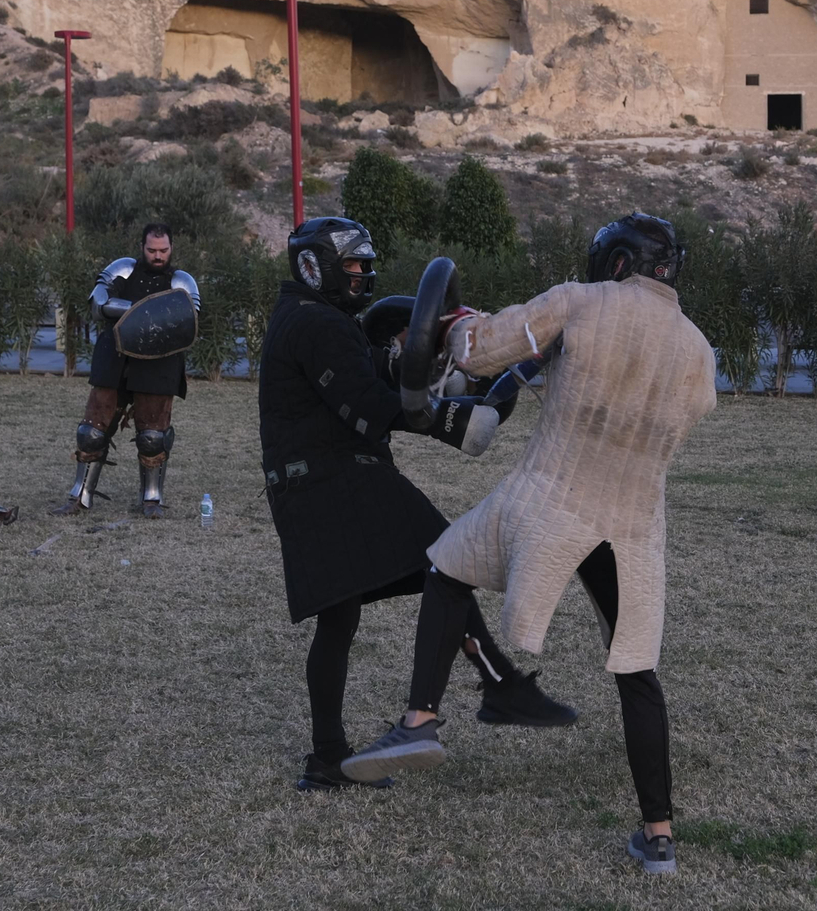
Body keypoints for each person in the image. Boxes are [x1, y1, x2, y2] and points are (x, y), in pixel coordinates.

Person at [342, 214, 717, 875]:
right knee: (637, 674)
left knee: (446, 568)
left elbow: (479, 349)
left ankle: (421, 719)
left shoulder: (580, 299)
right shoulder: (696, 349)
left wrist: (452, 320)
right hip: (634, 522)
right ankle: (658, 835)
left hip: (552, 498)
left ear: (620, 261)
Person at [260, 216, 577, 791]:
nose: (363, 273)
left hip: (311, 481)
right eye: (353, 264)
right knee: (447, 559)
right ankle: (499, 687)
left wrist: (428, 371)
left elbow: (367, 378)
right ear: (316, 266)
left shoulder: (315, 317)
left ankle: (328, 758)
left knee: (340, 619)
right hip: (333, 480)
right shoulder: (314, 324)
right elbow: (363, 404)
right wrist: (450, 421)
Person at [54, 223, 200, 518]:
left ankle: (151, 500)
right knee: (91, 432)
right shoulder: (122, 268)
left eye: (163, 250)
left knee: (153, 436)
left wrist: (133, 311)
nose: (158, 256)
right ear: (142, 247)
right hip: (115, 355)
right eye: (152, 250)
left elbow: (190, 318)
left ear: (171, 248)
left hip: (160, 360)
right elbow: (98, 302)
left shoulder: (182, 281)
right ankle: (79, 497)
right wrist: (147, 312)